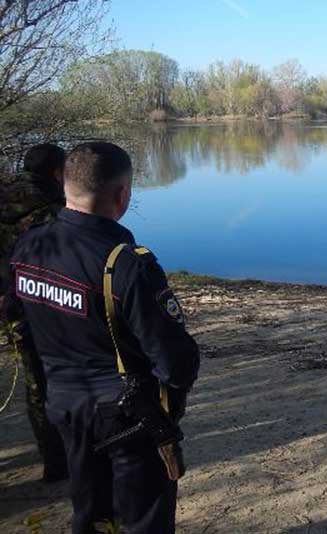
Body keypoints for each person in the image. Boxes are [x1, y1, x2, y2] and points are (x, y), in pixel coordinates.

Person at [3, 142, 200, 533]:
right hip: (127, 417)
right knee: (143, 520)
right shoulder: (126, 264)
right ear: (122, 194)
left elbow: (16, 313)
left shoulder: (29, 245)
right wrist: (171, 403)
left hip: (65, 405)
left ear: (66, 186)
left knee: (90, 513)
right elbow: (176, 362)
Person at [0, 143, 68, 482]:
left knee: (35, 381)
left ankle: (54, 460)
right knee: (63, 376)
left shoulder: (4, 194)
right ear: (57, 172)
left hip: (10, 306)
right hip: (48, 304)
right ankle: (68, 457)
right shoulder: (53, 209)